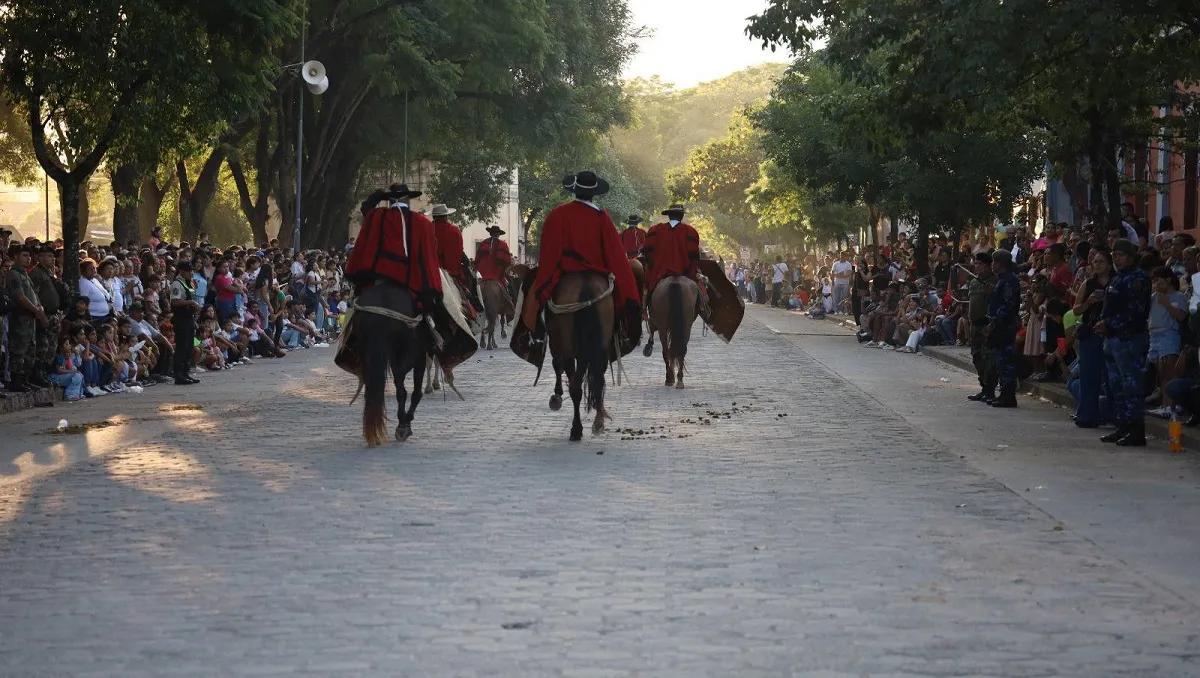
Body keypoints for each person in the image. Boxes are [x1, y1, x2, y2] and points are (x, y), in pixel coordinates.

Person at [521, 170, 642, 354]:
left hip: (565, 271)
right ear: (594, 193)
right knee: (623, 293)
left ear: (574, 190)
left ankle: (534, 333)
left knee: (534, 290)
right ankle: (624, 329)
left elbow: (549, 249)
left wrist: (546, 275)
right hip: (598, 272)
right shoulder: (602, 217)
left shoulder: (557, 214)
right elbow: (615, 254)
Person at [1096, 239, 1152, 445]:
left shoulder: (1137, 279)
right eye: (1114, 256)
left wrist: (1109, 323)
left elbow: (1135, 312)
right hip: (1113, 338)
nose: (1116, 259)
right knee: (1116, 385)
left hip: (1129, 338)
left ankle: (1136, 430)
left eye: (1120, 255)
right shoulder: (1118, 278)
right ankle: (1122, 426)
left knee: (1131, 385)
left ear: (1130, 256)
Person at [643, 203, 706, 320]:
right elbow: (694, 255)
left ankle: (643, 309)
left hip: (659, 272)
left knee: (646, 285)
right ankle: (703, 307)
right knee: (700, 284)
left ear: (669, 216)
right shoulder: (690, 231)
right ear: (681, 217)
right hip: (685, 271)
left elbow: (648, 253)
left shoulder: (655, 230)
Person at [5, 245, 48, 392]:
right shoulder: (14, 274)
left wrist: (39, 308)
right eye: (24, 255)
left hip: (30, 318)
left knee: (30, 348)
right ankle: (16, 381)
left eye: (29, 256)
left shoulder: (24, 274)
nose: (28, 258)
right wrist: (36, 310)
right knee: (19, 349)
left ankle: (24, 379)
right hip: (20, 317)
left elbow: (33, 295)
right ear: (15, 257)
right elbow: (20, 297)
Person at [986, 249, 1021, 408]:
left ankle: (1008, 394)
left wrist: (995, 321)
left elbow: (1008, 304)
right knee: (1000, 360)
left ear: (999, 263)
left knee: (1006, 360)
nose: (992, 265)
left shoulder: (1008, 280)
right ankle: (1004, 392)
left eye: (994, 262)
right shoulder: (1001, 280)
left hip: (1005, 325)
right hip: (1001, 324)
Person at [29, 244, 64, 381]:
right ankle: (37, 375)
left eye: (53, 256)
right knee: (42, 347)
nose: (53, 259)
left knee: (51, 347)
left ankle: (45, 374)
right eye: (49, 256)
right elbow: (34, 294)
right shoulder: (36, 273)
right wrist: (41, 313)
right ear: (39, 257)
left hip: (54, 315)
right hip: (44, 314)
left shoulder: (50, 273)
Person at [966, 251, 997, 403]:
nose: (977, 267)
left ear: (988, 266)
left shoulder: (994, 281)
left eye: (980, 264)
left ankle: (990, 389)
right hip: (974, 323)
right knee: (976, 356)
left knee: (988, 358)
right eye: (976, 264)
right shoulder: (974, 282)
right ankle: (983, 388)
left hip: (987, 324)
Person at [169, 260, 203, 385]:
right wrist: (191, 303)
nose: (191, 273)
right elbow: (175, 301)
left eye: (191, 270)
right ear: (181, 271)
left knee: (189, 346)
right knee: (182, 347)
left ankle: (186, 372)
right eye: (188, 271)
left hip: (189, 317)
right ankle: (179, 374)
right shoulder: (177, 284)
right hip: (181, 318)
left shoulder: (187, 283)